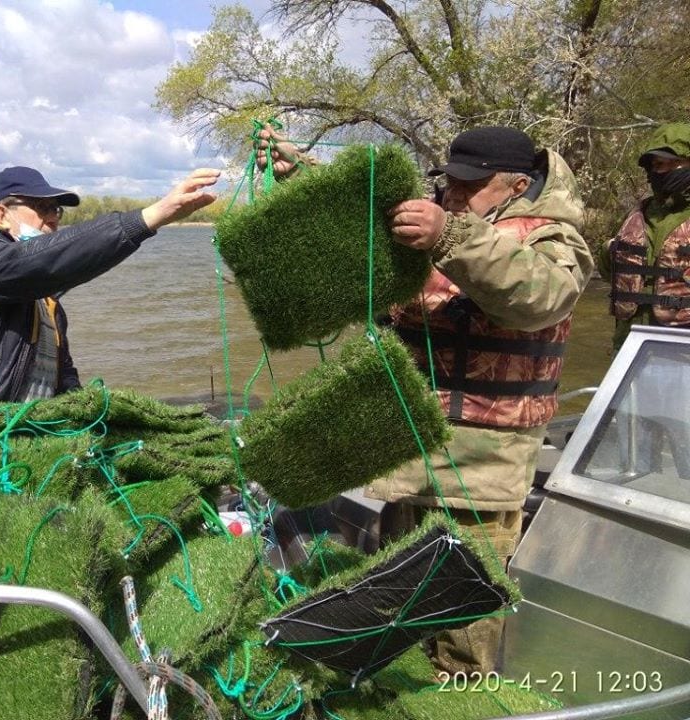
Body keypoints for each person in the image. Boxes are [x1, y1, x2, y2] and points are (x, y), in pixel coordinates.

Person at [257, 125, 593, 675]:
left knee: (462, 621)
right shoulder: (446, 216)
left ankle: (461, 694)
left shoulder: (554, 237)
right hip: (409, 453)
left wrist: (451, 236)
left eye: (470, 186)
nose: (454, 196)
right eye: (450, 184)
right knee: (398, 598)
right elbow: (377, 205)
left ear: (515, 183)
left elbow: (543, 296)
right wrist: (301, 166)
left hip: (481, 470)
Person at [0, 165, 220, 469]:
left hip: (15, 451)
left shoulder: (45, 297)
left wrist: (86, 418)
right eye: (42, 207)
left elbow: (60, 372)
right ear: (1, 214)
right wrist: (152, 216)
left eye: (57, 210)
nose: (53, 219)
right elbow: (46, 260)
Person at [597, 122, 690, 478]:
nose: (657, 172)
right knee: (633, 457)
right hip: (631, 350)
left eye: (666, 164)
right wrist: (613, 253)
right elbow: (613, 271)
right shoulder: (639, 214)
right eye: (653, 166)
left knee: (687, 456)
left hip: (682, 356)